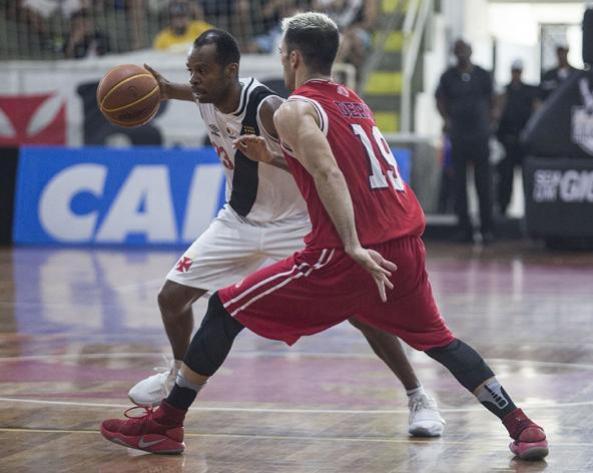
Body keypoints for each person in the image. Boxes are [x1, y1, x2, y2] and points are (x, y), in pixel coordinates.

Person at [100, 14, 548, 461]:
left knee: (224, 308)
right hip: (405, 243)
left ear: (293, 58)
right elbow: (331, 164)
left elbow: (328, 171)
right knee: (440, 341)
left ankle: (165, 425)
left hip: (342, 249)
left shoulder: (292, 108)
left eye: (282, 53)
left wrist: (351, 244)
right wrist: (271, 155)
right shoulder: (353, 103)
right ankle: (522, 426)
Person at [128, 28, 445, 437]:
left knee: (361, 312)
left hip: (297, 224)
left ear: (231, 71)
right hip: (238, 221)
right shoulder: (207, 93)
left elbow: (314, 166)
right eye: (191, 71)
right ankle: (176, 377)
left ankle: (418, 395)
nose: (194, 79)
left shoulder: (269, 108)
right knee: (171, 298)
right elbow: (199, 92)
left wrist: (269, 156)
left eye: (201, 71)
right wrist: (168, 90)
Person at [435, 39, 496, 244]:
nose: (461, 54)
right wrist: (446, 119)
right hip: (458, 137)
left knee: (484, 184)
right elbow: (440, 99)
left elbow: (495, 99)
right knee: (459, 185)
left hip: (480, 136)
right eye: (458, 50)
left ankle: (487, 229)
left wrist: (491, 121)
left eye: (464, 50)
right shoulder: (447, 77)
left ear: (471, 51)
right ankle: (464, 229)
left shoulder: (483, 75)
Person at [495, 59, 539, 216]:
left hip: (524, 141)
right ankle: (503, 208)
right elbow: (497, 113)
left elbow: (536, 111)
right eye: (514, 71)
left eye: (518, 71)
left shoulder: (529, 91)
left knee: (528, 176)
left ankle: (531, 209)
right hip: (507, 140)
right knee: (505, 178)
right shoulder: (504, 91)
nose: (516, 74)